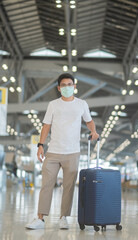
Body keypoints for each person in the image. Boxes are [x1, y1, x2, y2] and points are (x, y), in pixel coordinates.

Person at [25, 73, 99, 230]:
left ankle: (63, 217)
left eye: (70, 84)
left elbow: (89, 121)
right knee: (46, 185)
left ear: (75, 86)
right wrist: (40, 145)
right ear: (59, 88)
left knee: (69, 186)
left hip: (72, 152)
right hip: (53, 152)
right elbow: (46, 126)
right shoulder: (53, 104)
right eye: (64, 85)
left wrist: (94, 131)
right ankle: (40, 218)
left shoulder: (81, 104)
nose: (67, 87)